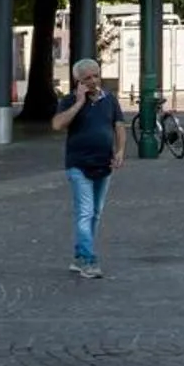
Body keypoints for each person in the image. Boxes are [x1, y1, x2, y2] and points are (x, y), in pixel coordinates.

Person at [53, 59, 125, 279]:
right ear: (79, 81)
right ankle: (88, 260)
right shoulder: (69, 100)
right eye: (88, 78)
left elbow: (119, 126)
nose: (94, 81)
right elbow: (57, 125)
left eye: (96, 75)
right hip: (79, 164)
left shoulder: (109, 99)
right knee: (85, 212)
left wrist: (120, 150)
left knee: (95, 213)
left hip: (104, 164)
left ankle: (79, 255)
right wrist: (79, 101)